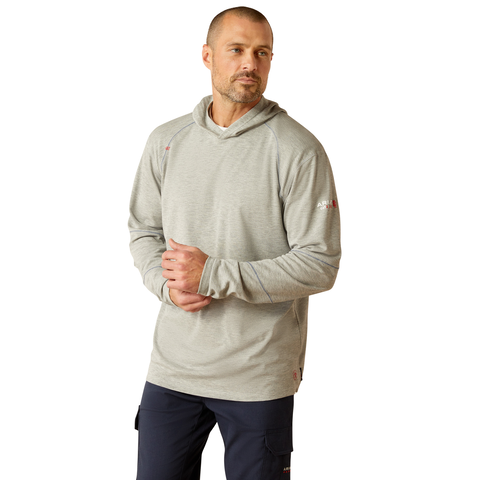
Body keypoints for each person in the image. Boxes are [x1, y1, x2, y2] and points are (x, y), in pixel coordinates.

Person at [128, 6, 341, 479]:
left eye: (262, 53)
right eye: (237, 49)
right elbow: (144, 229)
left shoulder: (298, 149)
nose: (250, 63)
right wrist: (167, 286)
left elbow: (320, 263)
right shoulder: (167, 140)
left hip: (257, 375)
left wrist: (212, 274)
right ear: (207, 56)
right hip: (173, 369)